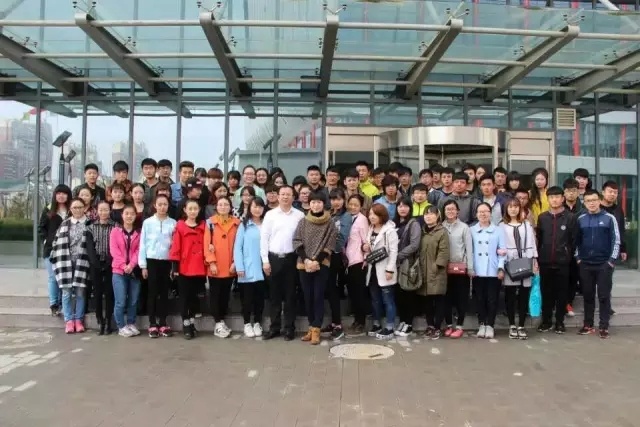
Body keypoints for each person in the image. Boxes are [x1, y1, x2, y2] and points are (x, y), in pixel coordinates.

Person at [261, 185, 305, 341]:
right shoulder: (270, 215)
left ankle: (289, 328)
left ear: (293, 197)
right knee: (274, 296)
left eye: (288, 194)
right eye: (282, 194)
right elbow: (264, 238)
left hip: (291, 258)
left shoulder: (299, 215)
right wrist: (265, 261)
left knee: (290, 295)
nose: (285, 197)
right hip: (273, 258)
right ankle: (274, 328)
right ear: (278, 197)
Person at [293, 193, 338, 345]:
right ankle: (311, 327)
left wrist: (316, 261)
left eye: (319, 202)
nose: (316, 205)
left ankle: (317, 329)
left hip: (321, 264)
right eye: (313, 202)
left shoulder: (330, 223)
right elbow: (297, 241)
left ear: (323, 204)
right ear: (309, 204)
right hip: (303, 264)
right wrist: (306, 260)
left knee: (318, 296)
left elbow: (330, 244)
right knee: (308, 296)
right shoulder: (303, 221)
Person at [575, 189, 620, 339]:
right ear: (584, 203)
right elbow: (576, 241)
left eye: (594, 200)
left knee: (603, 296)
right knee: (588, 295)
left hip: (604, 265)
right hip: (585, 264)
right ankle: (588, 325)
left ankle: (603, 326)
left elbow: (616, 240)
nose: (592, 203)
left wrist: (611, 261)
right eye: (588, 201)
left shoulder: (609, 218)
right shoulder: (580, 219)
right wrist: (578, 258)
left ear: (600, 200)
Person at [536, 186, 577, 334]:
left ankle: (560, 322)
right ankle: (546, 321)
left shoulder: (570, 217)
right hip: (545, 262)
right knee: (546, 293)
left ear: (562, 199)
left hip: (563, 263)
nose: (554, 200)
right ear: (548, 199)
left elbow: (574, 240)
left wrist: (568, 255)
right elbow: (539, 239)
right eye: (551, 197)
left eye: (557, 197)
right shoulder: (542, 217)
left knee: (562, 294)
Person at [50, 197, 91, 334]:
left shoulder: (89, 223)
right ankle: (68, 320)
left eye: (80, 207)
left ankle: (78, 320)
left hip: (83, 261)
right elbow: (56, 241)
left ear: (84, 208)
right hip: (65, 261)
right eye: (74, 208)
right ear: (70, 209)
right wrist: (54, 255)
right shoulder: (65, 223)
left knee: (80, 292)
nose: (77, 210)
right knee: (66, 292)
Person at [138, 194, 177, 338]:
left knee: (164, 293)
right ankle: (152, 323)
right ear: (155, 205)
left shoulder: (173, 223)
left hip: (166, 261)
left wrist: (174, 266)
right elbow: (143, 244)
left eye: (165, 204)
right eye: (159, 204)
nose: (162, 207)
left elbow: (175, 245)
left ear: (168, 206)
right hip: (151, 261)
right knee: (152, 293)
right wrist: (143, 265)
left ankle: (163, 322)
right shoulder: (148, 222)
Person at [500, 199, 538, 340]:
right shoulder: (501, 226)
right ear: (506, 209)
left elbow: (532, 243)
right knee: (510, 295)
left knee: (524, 294)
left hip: (526, 260)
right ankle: (511, 325)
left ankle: (521, 325)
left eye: (516, 207)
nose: (513, 209)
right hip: (510, 262)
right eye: (510, 207)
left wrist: (534, 260)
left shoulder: (526, 225)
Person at [169, 199, 207, 340]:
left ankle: (192, 322)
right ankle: (185, 323)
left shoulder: (203, 226)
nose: (192, 211)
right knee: (184, 297)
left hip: (200, 267)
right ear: (185, 210)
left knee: (195, 297)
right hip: (184, 267)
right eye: (190, 208)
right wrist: (175, 267)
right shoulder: (180, 226)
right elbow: (175, 247)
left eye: (195, 208)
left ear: (199, 210)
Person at [204, 196, 240, 339]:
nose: (223, 207)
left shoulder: (237, 223)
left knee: (225, 295)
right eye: (220, 204)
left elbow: (239, 244)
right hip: (216, 266)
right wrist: (211, 262)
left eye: (226, 204)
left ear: (230, 207)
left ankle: (222, 320)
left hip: (230, 265)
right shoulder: (210, 223)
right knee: (215, 295)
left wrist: (235, 262)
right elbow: (206, 244)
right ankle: (217, 323)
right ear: (216, 207)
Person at [470, 202, 507, 339]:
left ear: (490, 213)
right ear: (476, 214)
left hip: (493, 269)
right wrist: (470, 267)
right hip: (477, 270)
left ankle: (490, 325)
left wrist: (501, 267)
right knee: (479, 299)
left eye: (486, 211)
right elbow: (470, 251)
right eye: (480, 211)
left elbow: (502, 251)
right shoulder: (471, 230)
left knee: (492, 299)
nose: (483, 214)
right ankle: (482, 324)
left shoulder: (498, 230)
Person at [363, 204, 399, 340]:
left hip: (385, 270)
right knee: (375, 300)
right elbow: (369, 248)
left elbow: (394, 251)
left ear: (382, 215)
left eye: (375, 214)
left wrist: (390, 269)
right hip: (372, 270)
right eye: (370, 214)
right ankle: (376, 324)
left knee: (388, 300)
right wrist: (365, 248)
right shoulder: (370, 229)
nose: (372, 217)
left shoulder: (389, 230)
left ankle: (389, 327)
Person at [234, 197, 267, 338]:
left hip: (263, 267)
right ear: (249, 208)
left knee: (260, 298)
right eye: (254, 206)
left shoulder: (267, 224)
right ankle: (247, 323)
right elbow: (237, 247)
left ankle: (258, 322)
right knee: (247, 299)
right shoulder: (244, 225)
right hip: (247, 268)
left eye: (260, 207)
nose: (257, 209)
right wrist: (239, 266)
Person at [442, 200, 474, 339]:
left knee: (461, 298)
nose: (450, 211)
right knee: (446, 298)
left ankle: (460, 326)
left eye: (453, 209)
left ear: (458, 211)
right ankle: (449, 325)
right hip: (444, 269)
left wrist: (470, 267)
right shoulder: (441, 226)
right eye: (447, 209)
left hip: (461, 268)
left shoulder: (464, 227)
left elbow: (469, 248)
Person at [322, 188, 352, 341]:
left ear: (344, 200)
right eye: (333, 199)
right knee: (328, 289)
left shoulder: (346, 216)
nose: (336, 202)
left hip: (335, 256)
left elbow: (342, 239)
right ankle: (334, 322)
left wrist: (328, 249)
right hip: (325, 255)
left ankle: (338, 325)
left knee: (333, 290)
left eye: (339, 199)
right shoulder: (329, 214)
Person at [38, 184, 72, 316]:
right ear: (55, 195)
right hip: (51, 250)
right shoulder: (48, 210)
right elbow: (41, 228)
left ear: (68, 195)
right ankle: (54, 304)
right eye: (58, 193)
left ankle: (63, 304)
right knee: (53, 277)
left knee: (64, 278)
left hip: (67, 250)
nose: (61, 196)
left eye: (64, 193)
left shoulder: (71, 210)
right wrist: (46, 240)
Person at [418, 206, 450, 340]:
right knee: (427, 301)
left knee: (439, 300)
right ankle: (430, 325)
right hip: (423, 271)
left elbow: (444, 252)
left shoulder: (442, 232)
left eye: (431, 214)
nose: (428, 216)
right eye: (426, 214)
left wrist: (436, 266)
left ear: (437, 216)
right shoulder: (422, 232)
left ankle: (437, 327)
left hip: (437, 272)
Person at [110, 205, 142, 338]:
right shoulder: (115, 232)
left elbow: (139, 250)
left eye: (132, 214)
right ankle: (121, 326)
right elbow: (114, 251)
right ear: (122, 215)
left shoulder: (139, 233)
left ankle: (131, 323)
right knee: (120, 300)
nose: (129, 216)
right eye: (127, 213)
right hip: (118, 271)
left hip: (134, 271)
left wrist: (132, 265)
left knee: (133, 300)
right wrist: (124, 266)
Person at [85, 201, 117, 335]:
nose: (103, 212)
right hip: (95, 263)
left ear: (110, 211)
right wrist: (96, 263)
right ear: (97, 211)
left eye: (106, 210)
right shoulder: (90, 228)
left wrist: (109, 262)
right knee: (97, 293)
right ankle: (100, 321)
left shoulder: (116, 226)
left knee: (109, 293)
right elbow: (89, 248)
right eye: (101, 210)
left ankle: (109, 321)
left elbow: (116, 246)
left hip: (111, 262)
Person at [394, 197, 422, 337]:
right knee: (399, 294)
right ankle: (403, 320)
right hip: (396, 265)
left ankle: (409, 324)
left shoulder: (414, 224)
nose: (402, 208)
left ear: (410, 208)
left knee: (408, 293)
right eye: (400, 206)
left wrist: (398, 255)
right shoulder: (394, 223)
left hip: (407, 263)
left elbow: (414, 245)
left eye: (405, 206)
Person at [344, 194, 370, 336]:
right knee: (352, 293)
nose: (353, 207)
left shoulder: (362, 219)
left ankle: (361, 321)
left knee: (359, 293)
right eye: (351, 204)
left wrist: (365, 260)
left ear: (361, 207)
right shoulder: (346, 218)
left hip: (358, 261)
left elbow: (366, 241)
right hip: (347, 261)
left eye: (356, 205)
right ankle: (356, 320)